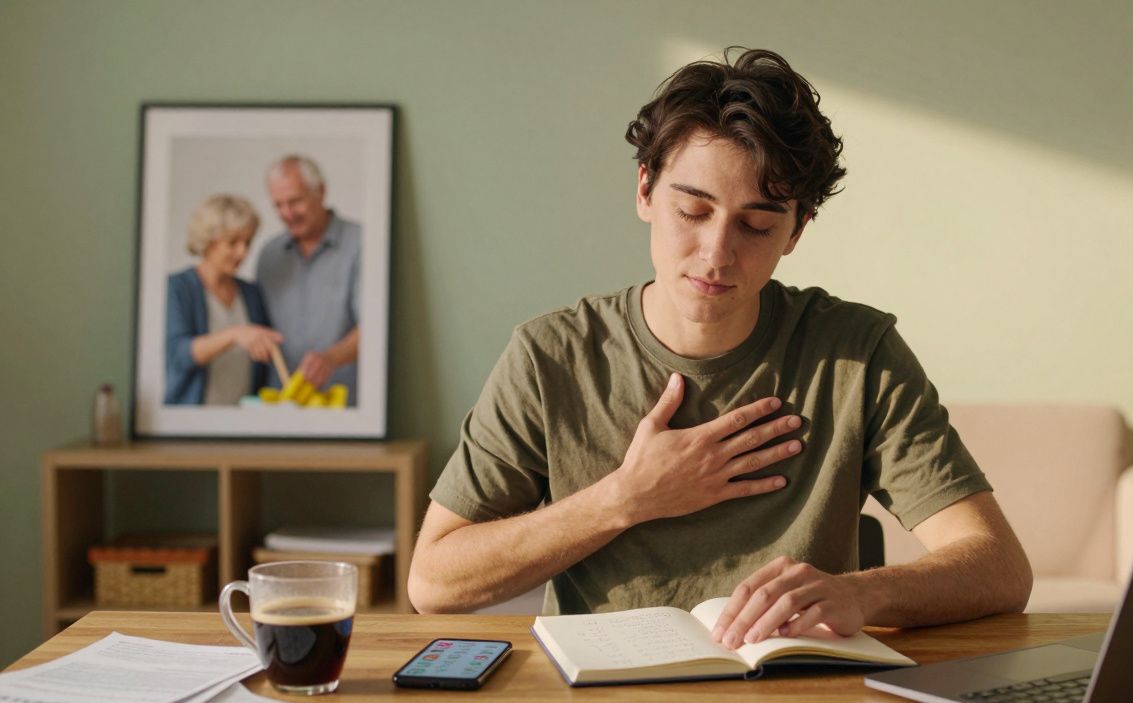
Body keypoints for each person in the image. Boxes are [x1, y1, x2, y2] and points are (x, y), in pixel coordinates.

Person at [409, 48, 1033, 645]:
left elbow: (1000, 567)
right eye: (693, 210)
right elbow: (433, 581)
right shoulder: (550, 358)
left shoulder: (857, 354)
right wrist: (624, 499)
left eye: (757, 225)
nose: (716, 253)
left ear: (797, 230)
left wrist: (863, 594)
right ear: (646, 191)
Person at [255, 155, 361, 404]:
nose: (287, 213)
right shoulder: (268, 254)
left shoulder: (361, 243)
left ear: (321, 192)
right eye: (278, 205)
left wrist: (331, 358)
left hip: (346, 405)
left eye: (295, 202)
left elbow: (377, 325)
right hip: (282, 406)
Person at [165, 194, 282, 405]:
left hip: (241, 423)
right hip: (193, 421)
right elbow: (177, 355)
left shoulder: (251, 293)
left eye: (247, 242)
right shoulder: (177, 288)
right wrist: (235, 334)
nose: (243, 252)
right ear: (209, 241)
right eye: (233, 242)